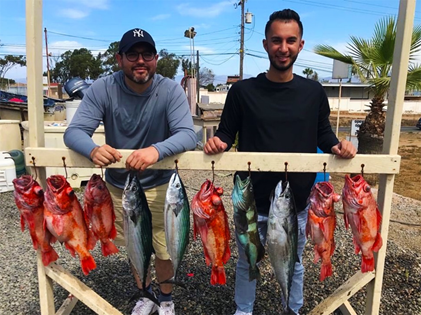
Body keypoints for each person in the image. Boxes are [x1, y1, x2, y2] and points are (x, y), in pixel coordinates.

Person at [204, 9, 357, 315]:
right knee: (248, 261)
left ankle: (293, 308)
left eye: (290, 40)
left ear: (301, 45)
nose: (283, 47)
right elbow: (225, 133)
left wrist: (338, 145)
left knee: (295, 262)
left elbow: (323, 133)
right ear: (265, 44)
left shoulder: (313, 92)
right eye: (276, 40)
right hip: (251, 201)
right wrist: (216, 142)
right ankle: (243, 310)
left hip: (298, 203)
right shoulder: (241, 91)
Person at [64, 28, 197, 315]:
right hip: (118, 185)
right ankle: (144, 294)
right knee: (134, 245)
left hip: (161, 184)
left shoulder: (170, 89)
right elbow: (74, 131)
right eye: (132, 54)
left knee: (163, 248)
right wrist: (92, 149)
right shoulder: (103, 87)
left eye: (146, 54)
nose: (140, 61)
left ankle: (166, 297)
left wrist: (156, 150)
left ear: (156, 58)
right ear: (119, 58)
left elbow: (188, 134)